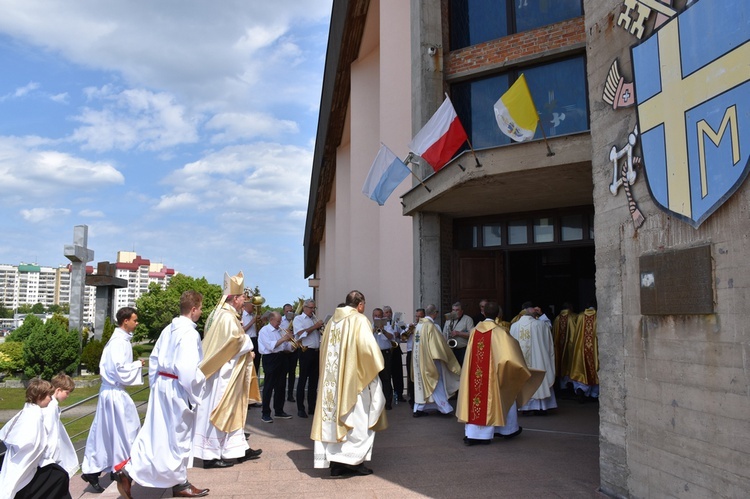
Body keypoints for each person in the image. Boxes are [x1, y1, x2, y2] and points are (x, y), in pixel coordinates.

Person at [114, 290, 210, 499]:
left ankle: (130, 472)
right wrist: (195, 391)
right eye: (201, 308)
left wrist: (156, 386)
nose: (201, 312)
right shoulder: (189, 333)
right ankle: (179, 484)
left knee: (157, 435)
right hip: (177, 387)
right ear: (193, 309)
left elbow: (154, 360)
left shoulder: (168, 329)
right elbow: (186, 368)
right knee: (178, 437)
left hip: (162, 385)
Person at [311, 290, 387, 476]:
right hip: (354, 382)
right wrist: (377, 365)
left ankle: (337, 463)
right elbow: (369, 351)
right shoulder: (359, 320)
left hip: (332, 382)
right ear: (360, 304)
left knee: (334, 419)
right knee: (359, 418)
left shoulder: (331, 323)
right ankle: (353, 461)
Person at [193, 271, 261, 469]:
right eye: (241, 298)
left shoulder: (224, 314)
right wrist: (248, 345)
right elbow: (234, 341)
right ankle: (210, 455)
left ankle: (237, 449)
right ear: (234, 298)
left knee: (233, 410)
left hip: (228, 371)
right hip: (222, 374)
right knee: (219, 409)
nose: (244, 301)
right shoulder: (226, 317)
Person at [456, 301, 544, 446]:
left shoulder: (475, 331)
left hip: (475, 375)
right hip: (493, 376)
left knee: (477, 400)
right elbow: (511, 357)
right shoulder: (501, 332)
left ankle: (473, 434)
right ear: (498, 315)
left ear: (484, 313)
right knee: (506, 391)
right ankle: (504, 431)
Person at [81, 307, 144, 492]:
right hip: (114, 393)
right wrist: (137, 364)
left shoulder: (121, 340)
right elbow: (120, 369)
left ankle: (103, 469)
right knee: (125, 431)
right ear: (125, 321)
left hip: (112, 392)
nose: (137, 323)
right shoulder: (118, 342)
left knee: (109, 432)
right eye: (135, 320)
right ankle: (119, 469)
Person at [0, 378, 71, 499]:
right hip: (26, 465)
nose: (50, 398)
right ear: (39, 396)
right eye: (48, 395)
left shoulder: (30, 411)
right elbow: (31, 445)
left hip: (31, 462)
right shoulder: (34, 417)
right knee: (59, 477)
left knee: (60, 476)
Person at [412, 304, 461, 417]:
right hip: (431, 361)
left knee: (423, 385)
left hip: (419, 360)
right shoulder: (431, 326)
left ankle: (418, 409)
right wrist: (447, 357)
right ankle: (445, 409)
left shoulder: (419, 325)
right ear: (435, 313)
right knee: (436, 382)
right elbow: (438, 346)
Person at [510, 302, 557, 414]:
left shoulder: (514, 326)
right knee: (538, 378)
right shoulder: (540, 325)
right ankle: (541, 407)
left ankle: (525, 407)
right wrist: (542, 315)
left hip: (521, 362)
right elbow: (549, 331)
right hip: (538, 362)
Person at [258, 311, 295, 423]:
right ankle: (265, 413)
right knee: (269, 386)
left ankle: (279, 410)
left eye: (280, 321)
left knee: (281, 386)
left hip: (281, 358)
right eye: (278, 321)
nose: (279, 323)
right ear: (271, 320)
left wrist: (293, 344)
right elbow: (270, 346)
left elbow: (284, 346)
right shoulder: (265, 330)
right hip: (270, 359)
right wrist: (284, 338)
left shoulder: (280, 331)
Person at [42, 373, 78, 478]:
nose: (68, 396)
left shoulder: (53, 405)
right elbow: (50, 431)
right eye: (67, 393)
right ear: (58, 390)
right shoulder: (51, 407)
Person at [293, 300, 324, 418]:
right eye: (311, 308)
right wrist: (314, 327)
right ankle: (300, 408)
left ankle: (312, 406)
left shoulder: (313, 319)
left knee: (314, 381)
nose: (313, 310)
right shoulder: (299, 319)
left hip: (316, 352)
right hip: (306, 351)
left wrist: (320, 328)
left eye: (314, 308)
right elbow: (299, 334)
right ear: (304, 308)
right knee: (302, 380)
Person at [567, 301, 599, 400]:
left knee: (581, 368)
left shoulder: (580, 316)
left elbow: (576, 333)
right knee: (595, 369)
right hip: (594, 348)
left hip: (581, 348)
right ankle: (594, 394)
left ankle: (581, 389)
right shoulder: (598, 316)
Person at [371, 307, 393, 410]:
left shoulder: (387, 325)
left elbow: (391, 337)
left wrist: (383, 330)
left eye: (379, 316)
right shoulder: (370, 327)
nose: (377, 317)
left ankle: (387, 403)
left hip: (385, 353)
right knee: (375, 378)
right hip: (374, 354)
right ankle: (376, 402)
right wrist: (373, 330)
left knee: (386, 378)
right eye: (375, 316)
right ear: (373, 317)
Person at [552, 303, 578, 389]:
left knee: (561, 363)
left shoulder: (557, 319)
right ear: (570, 307)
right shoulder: (574, 317)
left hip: (559, 347)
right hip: (572, 347)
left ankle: (563, 387)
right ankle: (573, 387)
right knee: (572, 363)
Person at [384, 306, 405, 403]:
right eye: (386, 312)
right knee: (387, 374)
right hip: (387, 349)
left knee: (398, 373)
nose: (388, 314)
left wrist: (399, 334)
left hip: (396, 349)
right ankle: (389, 395)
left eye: (389, 312)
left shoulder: (396, 323)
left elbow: (404, 336)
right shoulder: (382, 324)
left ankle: (399, 394)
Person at [442, 301, 474, 366]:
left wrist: (458, 333)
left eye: (457, 310)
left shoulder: (468, 319)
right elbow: (444, 334)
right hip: (450, 350)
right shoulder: (448, 319)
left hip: (462, 350)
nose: (454, 312)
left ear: (462, 311)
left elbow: (472, 334)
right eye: (453, 310)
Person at [404, 308, 425, 405]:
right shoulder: (410, 326)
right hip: (411, 352)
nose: (417, 318)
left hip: (422, 353)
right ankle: (412, 399)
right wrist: (409, 330)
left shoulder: (425, 326)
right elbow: (402, 337)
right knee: (411, 376)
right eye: (416, 316)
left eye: (420, 316)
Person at [280, 303, 298, 403]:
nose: (289, 313)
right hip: (283, 350)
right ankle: (281, 393)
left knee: (292, 373)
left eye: (291, 311)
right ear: (284, 312)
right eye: (287, 311)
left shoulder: (296, 321)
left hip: (293, 349)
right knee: (282, 374)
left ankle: (290, 394)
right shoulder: (280, 321)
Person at [241, 300, 261, 376]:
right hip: (247, 340)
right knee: (248, 365)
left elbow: (257, 330)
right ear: (246, 305)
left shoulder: (253, 315)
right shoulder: (241, 316)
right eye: (252, 304)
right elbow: (241, 331)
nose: (254, 305)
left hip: (255, 340)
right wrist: (252, 322)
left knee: (256, 363)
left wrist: (261, 322)